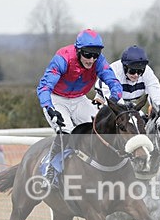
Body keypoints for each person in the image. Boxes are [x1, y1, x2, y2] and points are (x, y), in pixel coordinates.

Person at [35, 28, 124, 189]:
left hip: (79, 99)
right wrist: (49, 107)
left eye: (95, 55)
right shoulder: (63, 58)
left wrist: (113, 99)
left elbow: (114, 83)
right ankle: (50, 169)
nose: (91, 60)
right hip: (57, 99)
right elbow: (44, 87)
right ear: (78, 51)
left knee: (100, 127)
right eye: (87, 55)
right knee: (67, 133)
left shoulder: (99, 61)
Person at [95, 44, 160, 111]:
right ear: (124, 67)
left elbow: (155, 96)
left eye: (140, 71)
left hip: (130, 103)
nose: (136, 75)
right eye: (132, 71)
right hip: (104, 99)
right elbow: (112, 100)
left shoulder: (147, 71)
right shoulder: (114, 70)